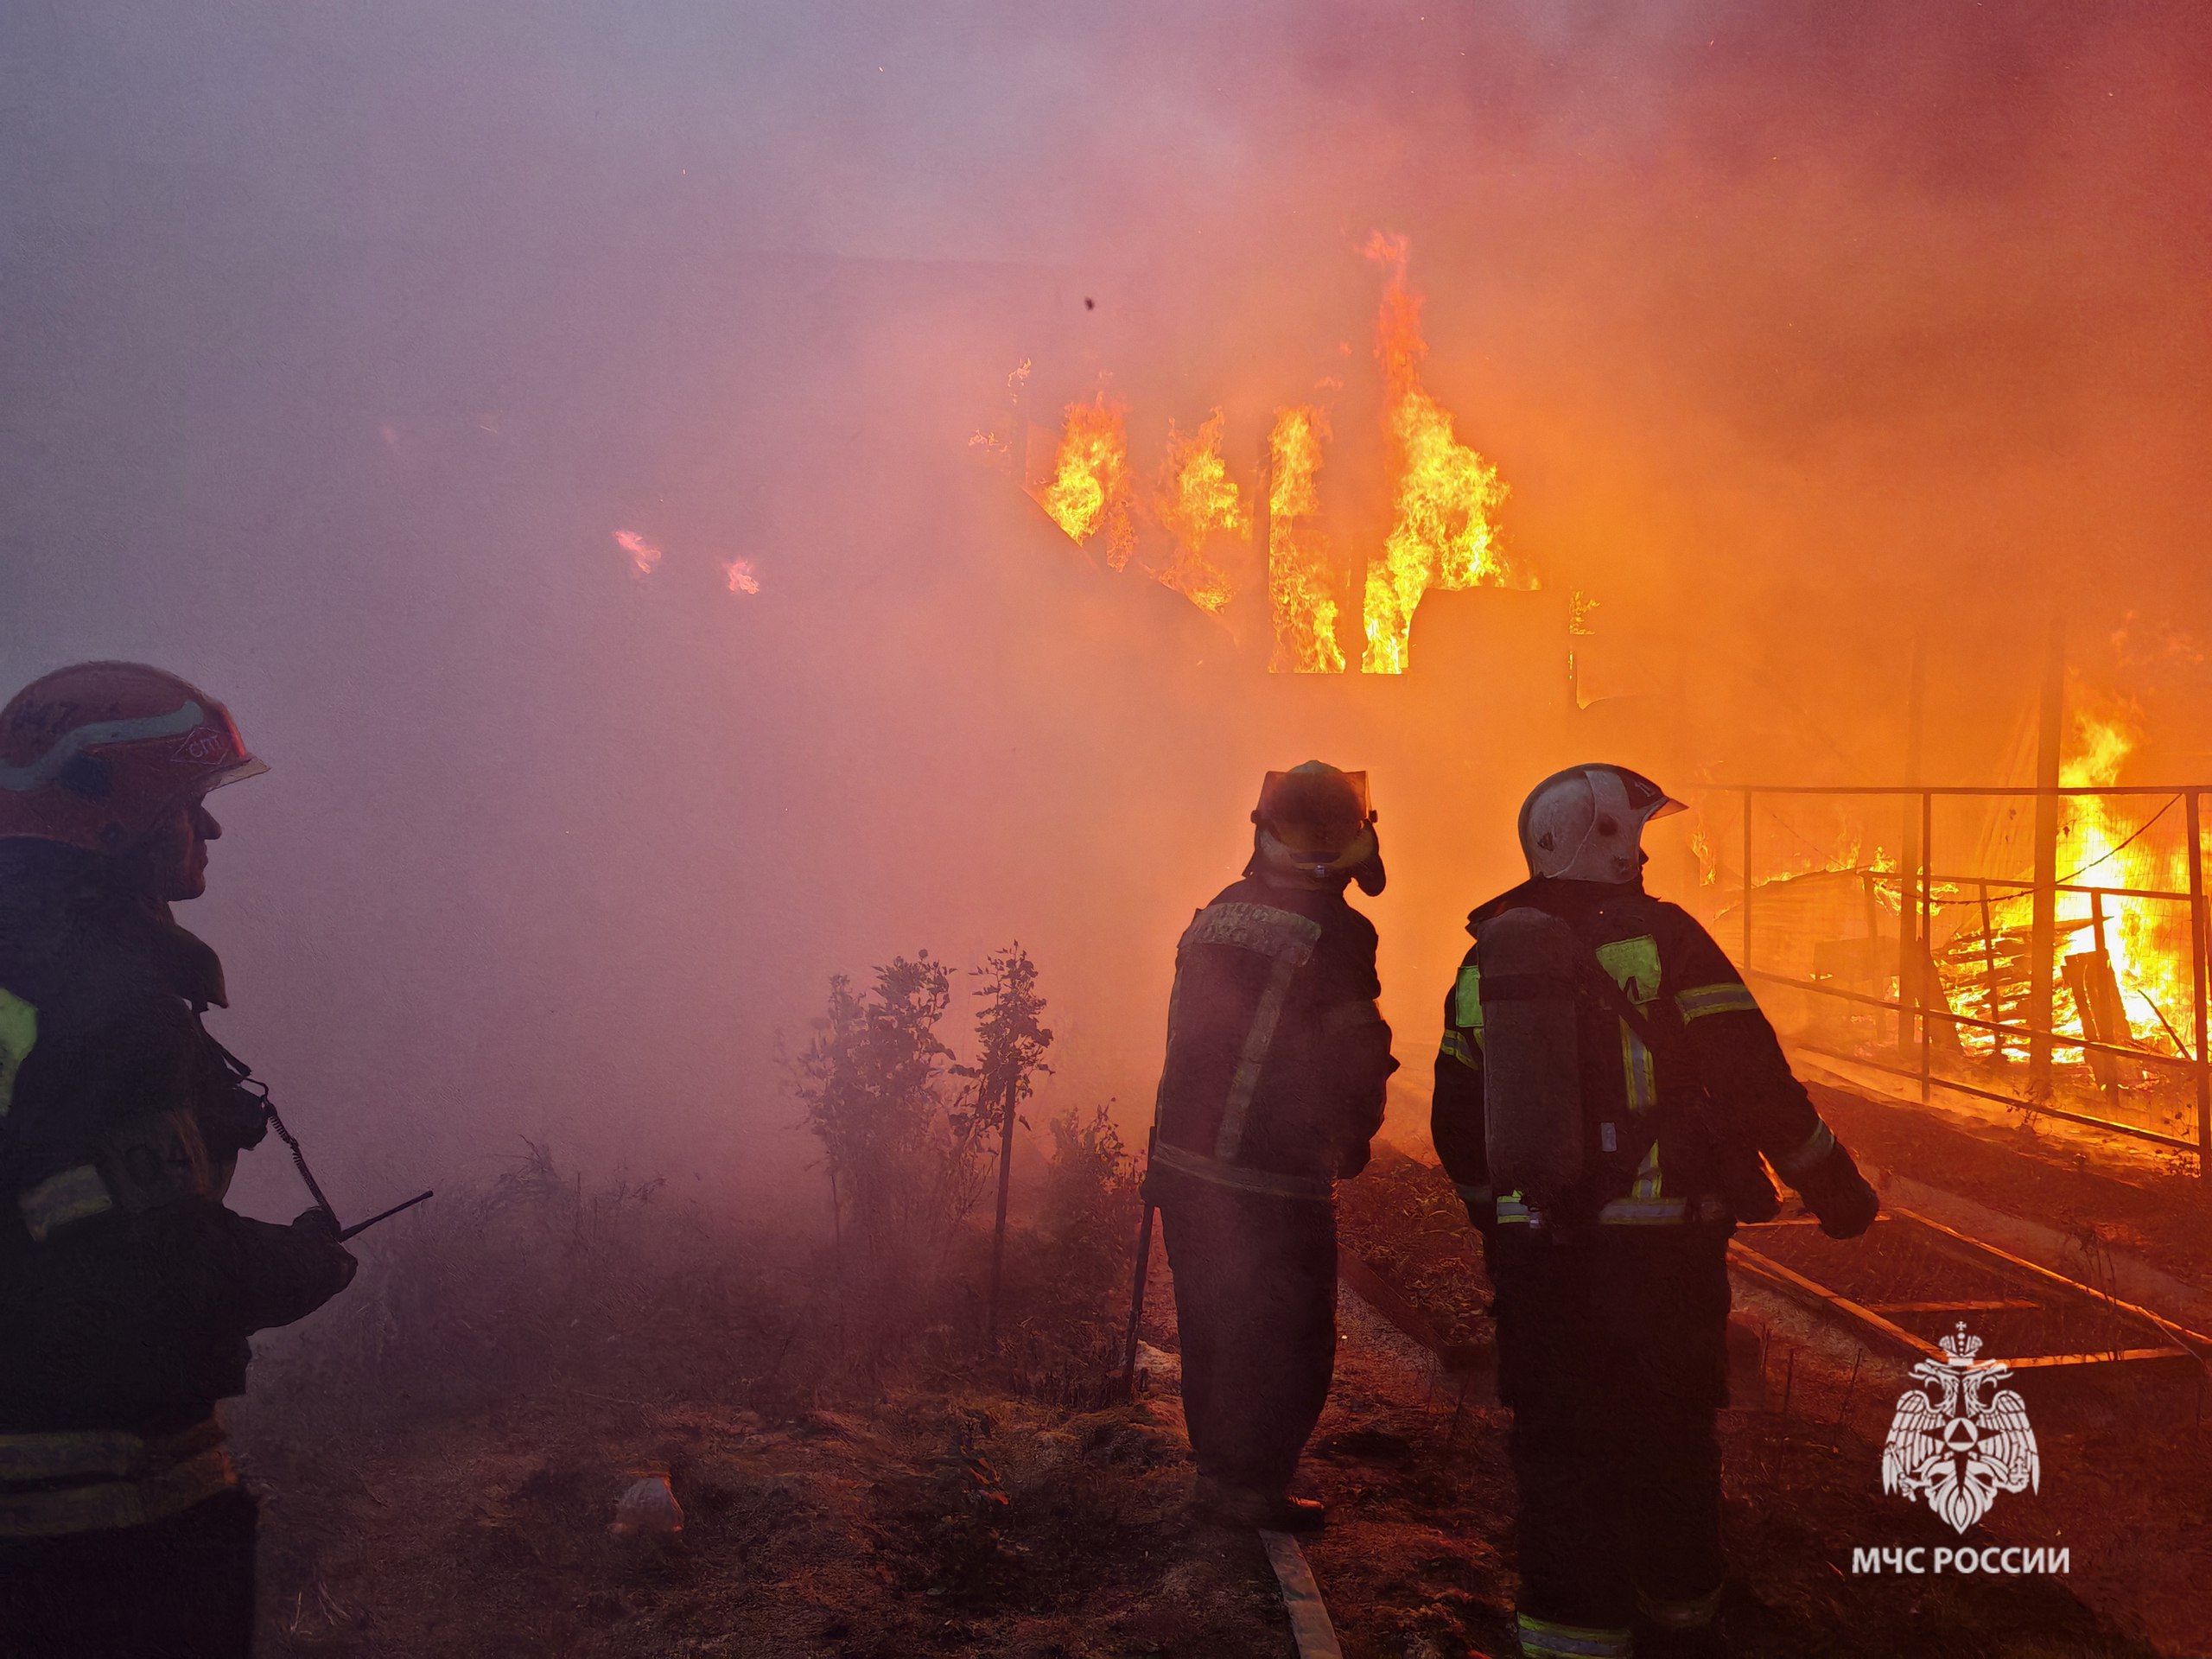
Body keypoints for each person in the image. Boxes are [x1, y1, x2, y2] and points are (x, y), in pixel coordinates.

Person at [1432, 764, 1878, 1659]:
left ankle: (1569, 1639)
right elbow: (1757, 1083)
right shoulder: (1668, 943)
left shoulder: (1490, 959)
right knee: (1669, 1442)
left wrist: (1502, 1232)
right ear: (1604, 838)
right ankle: (1679, 1627)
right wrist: (1834, 1188)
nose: (1640, 853)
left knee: (1562, 1456)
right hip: (1662, 1264)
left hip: (1545, 1265)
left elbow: (1456, 1121)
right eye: (1632, 834)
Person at [0, 662, 359, 1657]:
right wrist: (305, 1262)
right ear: (112, 821)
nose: (210, 832)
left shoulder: (21, 976)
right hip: (99, 1531)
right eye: (188, 807)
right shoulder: (110, 1006)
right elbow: (156, 1265)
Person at [1143, 760, 1398, 1531]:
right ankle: (1252, 1487)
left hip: (1185, 1164)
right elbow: (1355, 1050)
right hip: (1271, 1173)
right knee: (1288, 1334)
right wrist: (1353, 1136)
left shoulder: (1220, 909)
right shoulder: (1339, 930)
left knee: (1214, 1321)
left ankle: (1220, 1475)